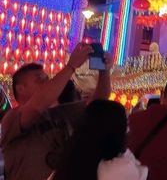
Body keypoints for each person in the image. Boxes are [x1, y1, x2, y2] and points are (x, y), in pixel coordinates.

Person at [1, 42, 112, 180]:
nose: (47, 83)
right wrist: (71, 67)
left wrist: (104, 72)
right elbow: (37, 106)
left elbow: (98, 102)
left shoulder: (62, 113)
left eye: (47, 78)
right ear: (20, 88)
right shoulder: (12, 118)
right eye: (39, 79)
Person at [49, 99, 147, 180]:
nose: (128, 130)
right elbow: (141, 173)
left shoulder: (68, 163)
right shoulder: (118, 169)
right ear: (116, 132)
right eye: (126, 125)